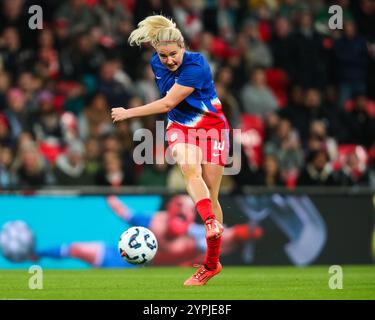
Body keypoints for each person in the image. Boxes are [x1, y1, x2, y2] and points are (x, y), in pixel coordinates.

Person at [111, 15, 230, 286]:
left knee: (212, 195)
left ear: (183, 47)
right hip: (180, 127)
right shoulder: (156, 62)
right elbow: (171, 109)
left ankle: (212, 264)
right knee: (190, 170)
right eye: (163, 55)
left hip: (212, 128)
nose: (169, 60)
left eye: (173, 54)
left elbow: (167, 103)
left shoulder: (196, 64)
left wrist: (128, 112)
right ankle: (210, 222)